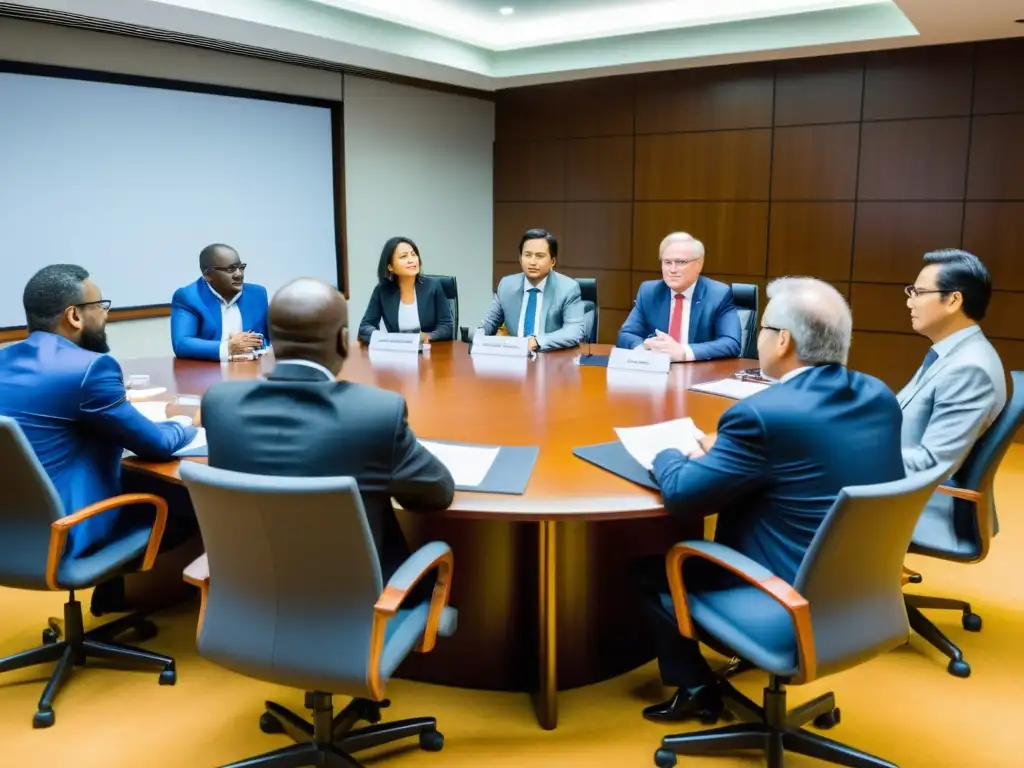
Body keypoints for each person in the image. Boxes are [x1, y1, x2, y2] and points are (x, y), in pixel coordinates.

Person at [631, 277, 905, 723]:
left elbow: (683, 496)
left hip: (782, 597)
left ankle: (697, 687)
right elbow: (804, 455)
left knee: (649, 570)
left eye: (761, 328)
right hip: (861, 591)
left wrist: (665, 451)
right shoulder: (878, 394)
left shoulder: (763, 414)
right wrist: (728, 451)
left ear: (782, 341)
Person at [202, 277, 455, 583]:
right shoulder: (375, 414)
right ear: (342, 341)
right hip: (360, 615)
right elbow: (437, 493)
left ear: (274, 341)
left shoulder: (219, 405)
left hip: (246, 600)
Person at [0, 264, 200, 611]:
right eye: (100, 306)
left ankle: (118, 596)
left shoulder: (4, 361)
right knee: (189, 495)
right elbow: (158, 444)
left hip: (13, 530)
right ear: (74, 316)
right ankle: (137, 596)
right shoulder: (89, 368)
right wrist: (186, 421)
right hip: (69, 529)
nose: (105, 314)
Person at [898, 249, 1006, 546]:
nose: (909, 301)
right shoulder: (951, 352)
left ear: (954, 300)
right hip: (902, 481)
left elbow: (932, 462)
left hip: (920, 504)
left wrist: (849, 457)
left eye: (918, 292)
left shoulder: (969, 368)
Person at [617, 232, 741, 361]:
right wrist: (644, 347)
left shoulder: (718, 294)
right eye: (667, 262)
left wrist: (683, 352)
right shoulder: (649, 292)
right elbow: (626, 334)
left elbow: (731, 342)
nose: (672, 269)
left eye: (681, 262)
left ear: (699, 264)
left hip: (699, 374)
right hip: (656, 372)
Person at [479, 228, 586, 352]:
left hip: (551, 359)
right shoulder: (506, 285)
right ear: (520, 259)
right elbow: (491, 321)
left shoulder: (568, 288)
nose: (532, 262)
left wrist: (536, 342)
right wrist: (478, 332)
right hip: (515, 359)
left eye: (539, 256)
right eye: (528, 255)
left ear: (552, 261)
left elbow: (573, 332)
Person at [170, 243, 269, 361]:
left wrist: (258, 345)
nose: (239, 274)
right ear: (207, 275)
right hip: (208, 373)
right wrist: (228, 347)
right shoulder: (189, 297)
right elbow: (182, 344)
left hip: (253, 370)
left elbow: (272, 338)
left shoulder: (257, 295)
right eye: (231, 269)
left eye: (241, 267)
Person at [357, 236, 454, 344]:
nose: (411, 260)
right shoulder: (382, 290)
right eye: (403, 256)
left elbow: (447, 326)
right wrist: (383, 338)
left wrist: (429, 337)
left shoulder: (433, 286)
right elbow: (365, 327)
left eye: (413, 254)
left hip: (430, 353)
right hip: (398, 351)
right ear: (390, 267)